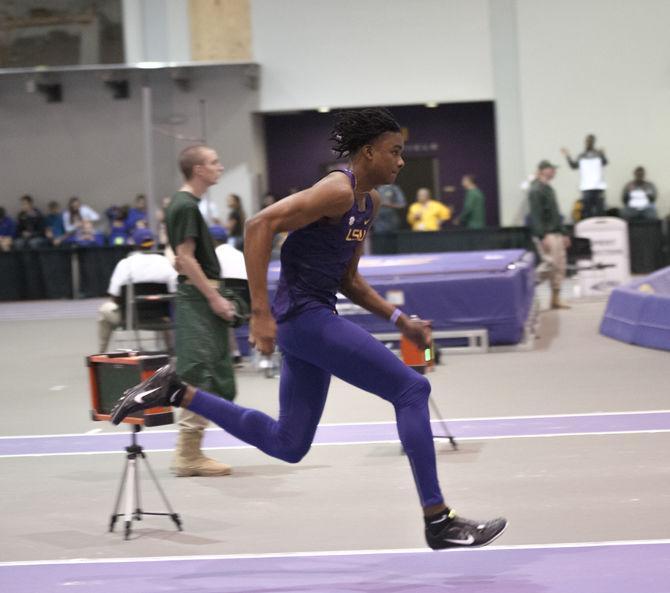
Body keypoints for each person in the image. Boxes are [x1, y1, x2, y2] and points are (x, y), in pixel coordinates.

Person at [110, 108, 507, 550]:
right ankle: (439, 519)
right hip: (302, 318)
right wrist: (261, 313)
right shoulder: (336, 190)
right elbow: (259, 225)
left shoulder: (368, 202)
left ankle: (175, 391)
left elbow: (348, 279)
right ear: (369, 151)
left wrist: (401, 321)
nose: (401, 161)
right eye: (394, 152)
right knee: (412, 389)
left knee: (289, 443)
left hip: (315, 318)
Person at [163, 145, 248, 477]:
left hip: (201, 294)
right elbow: (184, 258)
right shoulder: (185, 205)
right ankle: (187, 454)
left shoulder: (187, 206)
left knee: (211, 369)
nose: (220, 167)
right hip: (199, 297)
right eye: (214, 162)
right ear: (197, 169)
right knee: (198, 370)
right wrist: (213, 298)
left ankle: (191, 451)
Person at [97, 228, 178, 352]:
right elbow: (174, 293)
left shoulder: (124, 264)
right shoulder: (165, 262)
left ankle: (101, 355)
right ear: (152, 243)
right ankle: (170, 349)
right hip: (162, 316)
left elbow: (114, 297)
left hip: (129, 317)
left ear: (134, 244)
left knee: (104, 311)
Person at [528, 160, 571, 310]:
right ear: (542, 170)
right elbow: (536, 215)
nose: (554, 171)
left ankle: (555, 299)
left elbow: (556, 213)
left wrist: (564, 232)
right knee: (549, 265)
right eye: (550, 169)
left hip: (556, 232)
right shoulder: (536, 190)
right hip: (547, 234)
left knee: (560, 266)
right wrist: (542, 235)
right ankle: (527, 286)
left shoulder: (549, 189)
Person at [561, 134, 607, 218]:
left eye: (591, 141)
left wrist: (603, 154)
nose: (589, 143)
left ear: (594, 142)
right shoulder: (581, 156)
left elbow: (605, 163)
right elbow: (573, 166)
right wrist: (567, 156)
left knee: (600, 212)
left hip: (598, 187)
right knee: (587, 212)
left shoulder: (598, 154)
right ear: (585, 142)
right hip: (586, 187)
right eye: (587, 141)